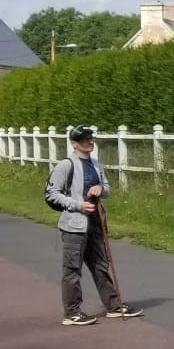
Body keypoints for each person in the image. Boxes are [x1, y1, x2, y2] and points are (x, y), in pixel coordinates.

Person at [45, 125, 140, 326]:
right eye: (83, 139)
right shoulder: (66, 165)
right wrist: (78, 205)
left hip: (96, 222)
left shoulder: (97, 165)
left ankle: (113, 305)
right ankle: (72, 312)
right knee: (72, 269)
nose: (89, 141)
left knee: (101, 265)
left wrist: (100, 189)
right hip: (73, 226)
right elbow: (51, 194)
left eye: (90, 138)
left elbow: (106, 188)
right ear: (74, 143)